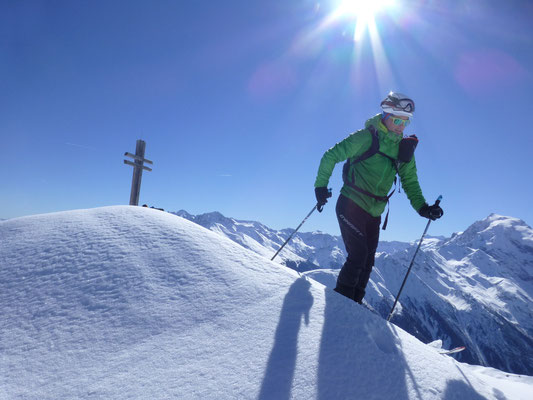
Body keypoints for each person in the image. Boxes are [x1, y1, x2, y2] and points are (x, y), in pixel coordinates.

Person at [313, 91, 443, 304]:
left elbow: (410, 182)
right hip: (350, 204)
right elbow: (331, 155)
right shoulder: (367, 137)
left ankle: (355, 306)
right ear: (385, 116)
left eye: (406, 122)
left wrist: (423, 208)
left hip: (374, 212)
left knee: (368, 261)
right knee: (358, 255)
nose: (401, 126)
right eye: (397, 120)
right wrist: (321, 186)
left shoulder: (404, 150)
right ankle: (340, 305)